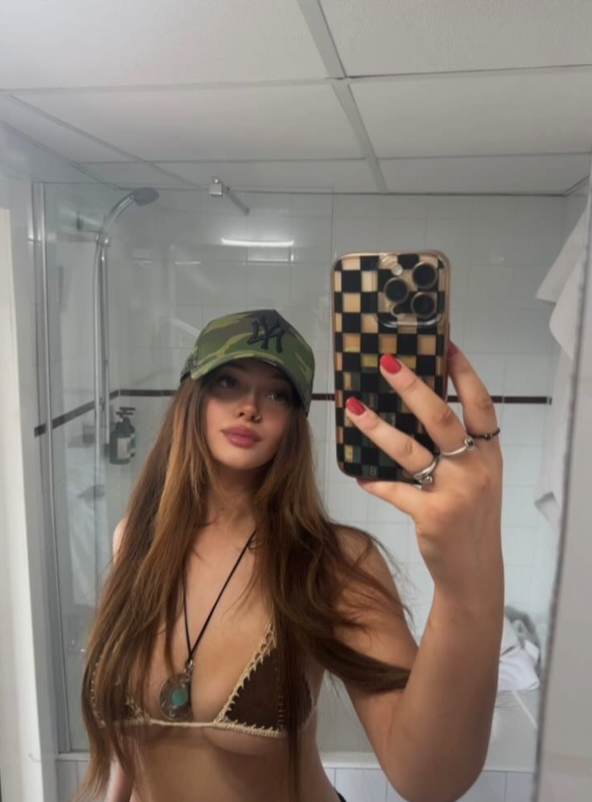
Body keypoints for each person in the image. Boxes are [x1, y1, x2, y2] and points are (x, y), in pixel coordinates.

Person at [77, 309, 504, 802]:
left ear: (295, 423)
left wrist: (468, 580)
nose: (249, 408)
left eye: (277, 394)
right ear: (191, 397)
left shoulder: (332, 562)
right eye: (228, 382)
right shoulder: (135, 540)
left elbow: (429, 779)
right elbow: (133, 740)